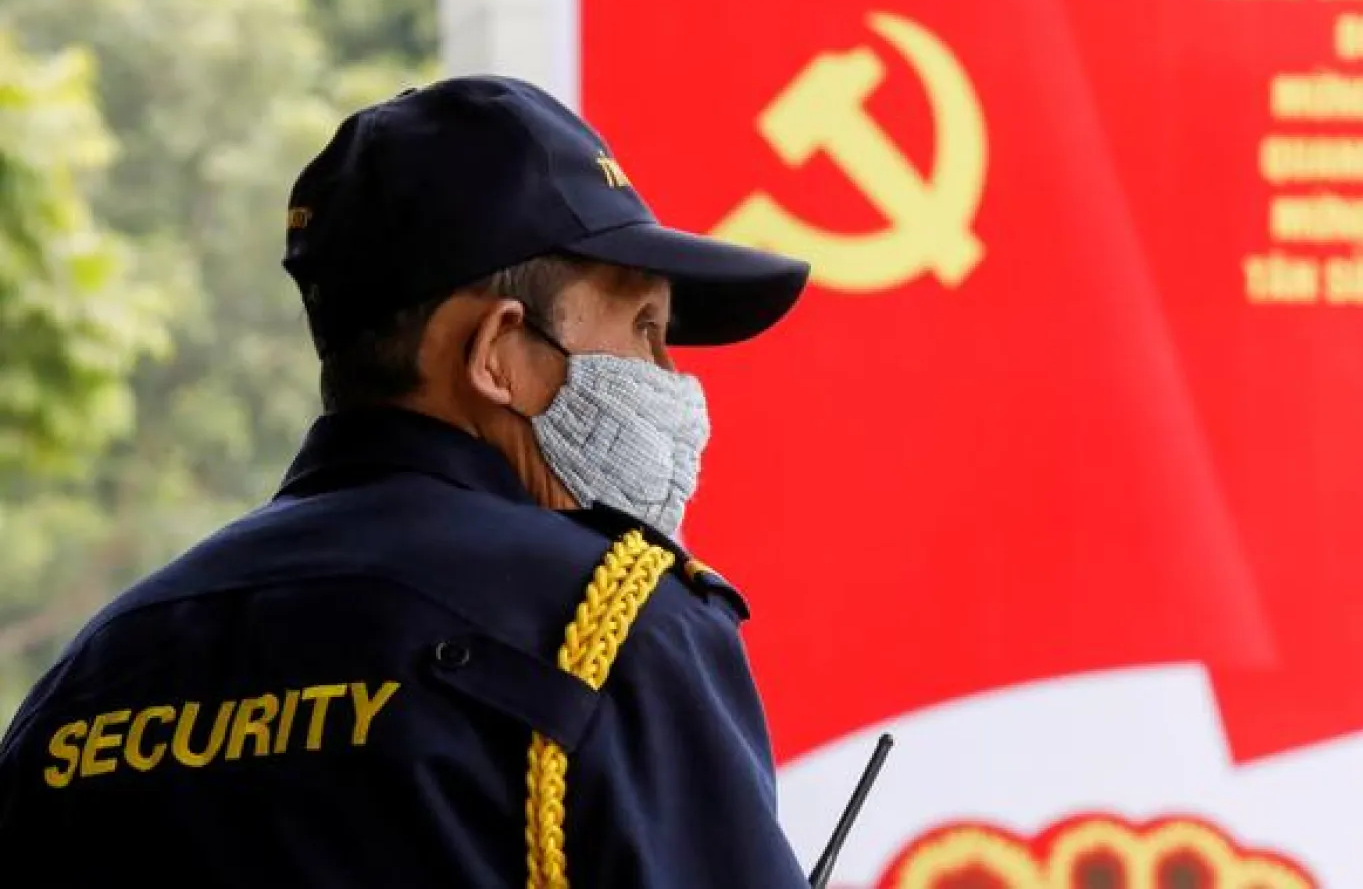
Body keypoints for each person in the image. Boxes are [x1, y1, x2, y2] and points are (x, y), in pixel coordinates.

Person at [0, 76, 814, 887]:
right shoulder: (612, 630)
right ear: (496, 349)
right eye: (645, 329)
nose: (669, 377)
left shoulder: (93, 679)